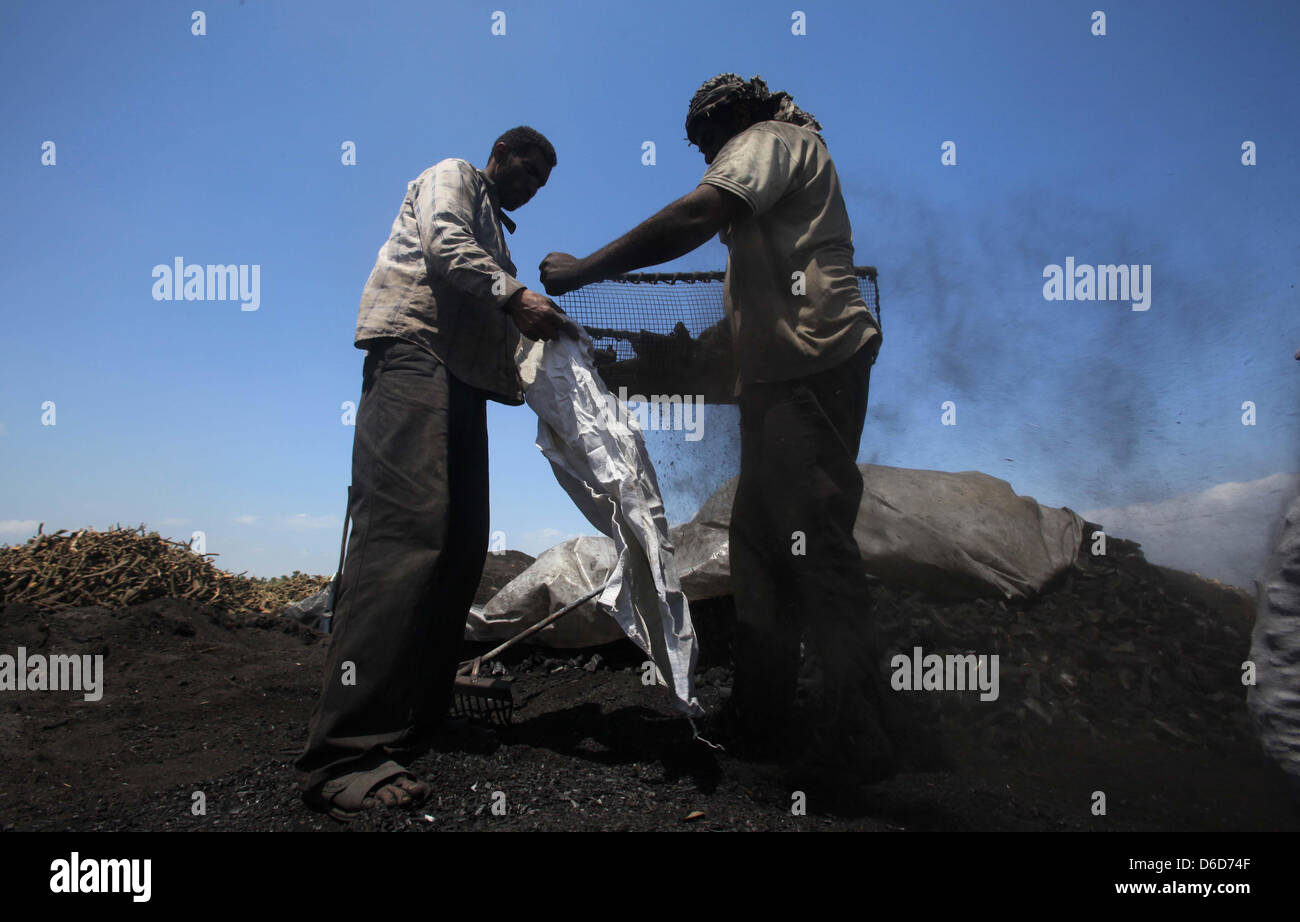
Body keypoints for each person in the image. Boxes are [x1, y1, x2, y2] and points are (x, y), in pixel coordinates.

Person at [541, 74, 897, 800]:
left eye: (704, 136)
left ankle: (867, 732)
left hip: (814, 366)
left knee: (813, 535)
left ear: (730, 116)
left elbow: (694, 214)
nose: (703, 151)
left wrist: (585, 271)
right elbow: (729, 335)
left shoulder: (773, 141)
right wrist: (634, 361)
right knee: (761, 549)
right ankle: (763, 719)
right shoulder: (762, 229)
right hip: (778, 383)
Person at [296, 126, 569, 821]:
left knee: (459, 547)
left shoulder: (500, 241)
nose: (530, 185)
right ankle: (346, 752)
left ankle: (417, 718)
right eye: (526, 169)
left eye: (542, 181)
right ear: (499, 155)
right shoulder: (453, 178)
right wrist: (516, 296)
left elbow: (503, 337)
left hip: (463, 384)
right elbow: (447, 246)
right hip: (414, 356)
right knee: (406, 536)